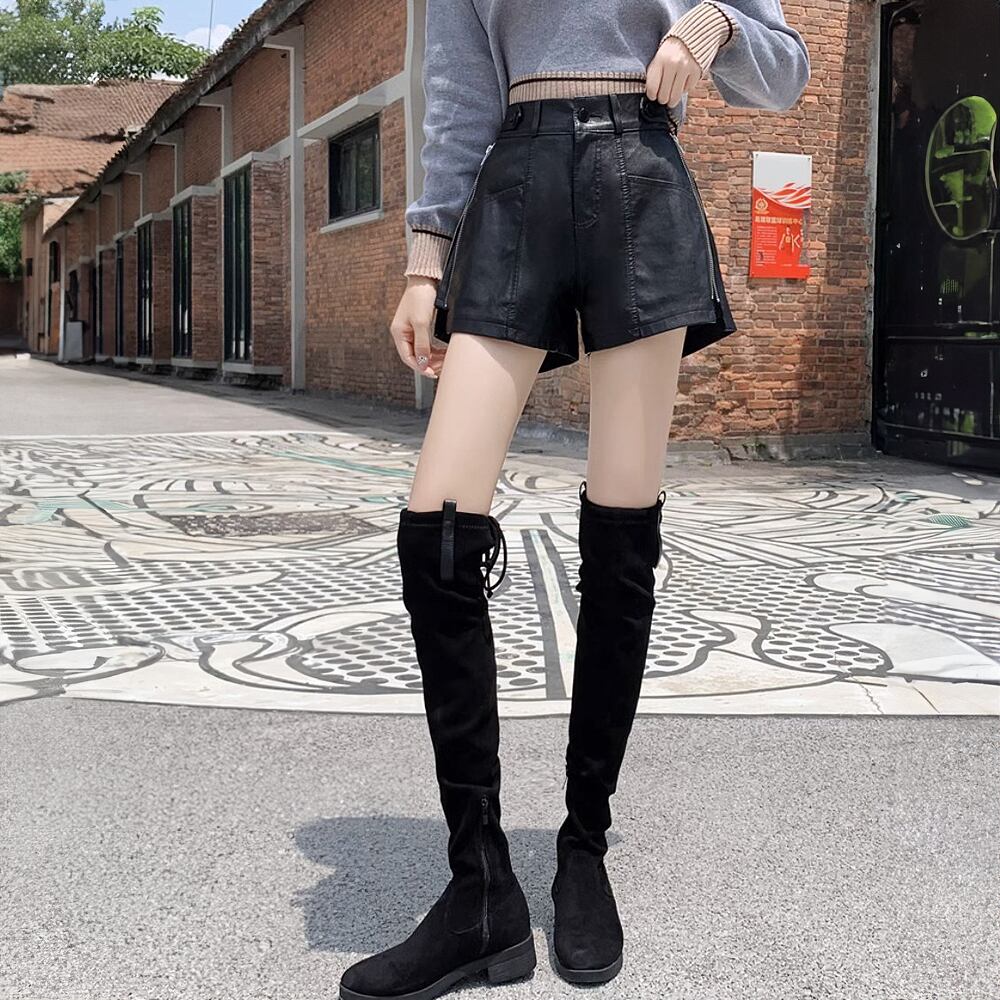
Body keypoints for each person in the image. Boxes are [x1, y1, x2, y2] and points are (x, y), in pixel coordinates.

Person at [340, 3, 810, 998]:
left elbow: (785, 70)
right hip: (514, 183)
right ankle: (480, 889)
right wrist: (425, 258)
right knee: (434, 534)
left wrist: (712, 27)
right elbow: (459, 93)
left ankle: (583, 846)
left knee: (621, 534)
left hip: (640, 172)